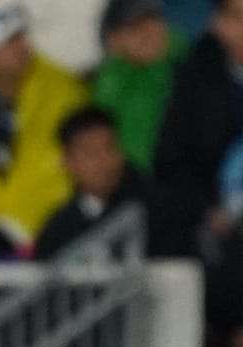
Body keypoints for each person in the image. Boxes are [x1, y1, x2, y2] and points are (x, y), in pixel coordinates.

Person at [0, 0, 89, 260]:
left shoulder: (64, 93)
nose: (22, 47)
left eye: (22, 36)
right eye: (9, 41)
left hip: (42, 225)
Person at [151, 0, 243, 257]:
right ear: (218, 24)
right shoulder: (195, 79)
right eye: (238, 17)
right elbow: (171, 162)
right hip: (217, 231)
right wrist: (207, 210)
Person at [35, 106, 154, 258]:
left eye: (110, 147)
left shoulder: (151, 207)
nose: (105, 161)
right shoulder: (56, 231)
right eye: (91, 153)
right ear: (68, 163)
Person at [92, 0, 185, 170]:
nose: (148, 32)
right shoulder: (110, 83)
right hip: (132, 184)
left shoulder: (191, 66)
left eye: (153, 21)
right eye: (134, 28)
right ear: (114, 40)